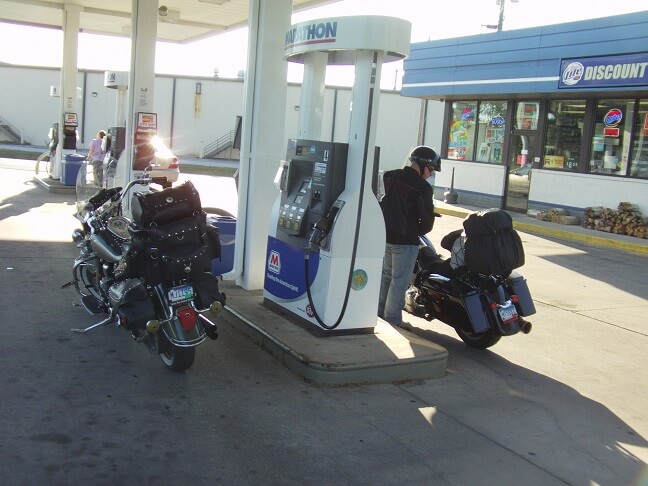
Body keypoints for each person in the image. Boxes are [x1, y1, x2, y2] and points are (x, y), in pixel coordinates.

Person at [378, 145, 440, 329]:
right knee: (400, 280)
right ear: (422, 165)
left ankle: (380, 313)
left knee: (386, 276)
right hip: (406, 241)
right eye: (431, 170)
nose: (430, 174)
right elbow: (427, 219)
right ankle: (392, 320)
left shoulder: (389, 176)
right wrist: (417, 230)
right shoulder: (423, 188)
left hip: (385, 236)